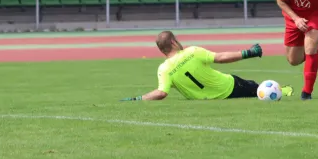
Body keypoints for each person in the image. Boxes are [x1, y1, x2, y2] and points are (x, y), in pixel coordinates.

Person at [120, 31, 293, 101]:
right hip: (230, 87)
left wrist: (138, 99)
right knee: (257, 89)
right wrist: (249, 52)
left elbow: (161, 93)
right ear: (173, 41)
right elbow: (221, 58)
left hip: (205, 100)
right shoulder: (192, 51)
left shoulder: (163, 69)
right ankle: (283, 91)